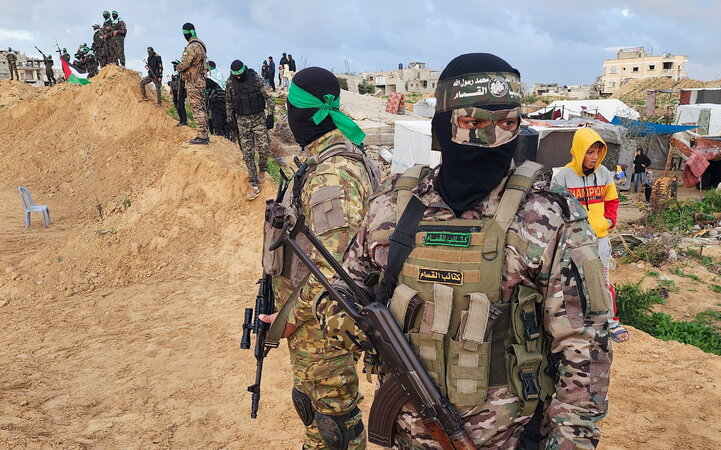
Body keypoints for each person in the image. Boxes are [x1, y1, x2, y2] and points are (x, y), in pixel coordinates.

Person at [315, 53, 612, 449]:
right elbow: (337, 295)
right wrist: (365, 329)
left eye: (508, 124)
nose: (494, 140)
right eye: (474, 124)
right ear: (442, 126)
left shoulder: (547, 217)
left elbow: (585, 350)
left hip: (510, 438)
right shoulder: (393, 207)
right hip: (408, 435)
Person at [258, 66, 379, 450]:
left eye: (290, 109)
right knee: (315, 408)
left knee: (334, 423)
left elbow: (334, 268)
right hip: (316, 318)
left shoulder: (332, 176)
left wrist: (289, 318)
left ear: (303, 114)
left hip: (322, 323)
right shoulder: (326, 160)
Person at [551, 128, 627, 343]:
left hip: (600, 238)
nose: (594, 157)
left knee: (602, 281)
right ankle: (581, 324)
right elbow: (554, 207)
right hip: (574, 242)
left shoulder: (604, 174)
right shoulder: (562, 177)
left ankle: (610, 322)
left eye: (597, 152)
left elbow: (612, 200)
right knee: (574, 282)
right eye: (589, 152)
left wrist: (608, 221)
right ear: (578, 151)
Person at [225, 60, 274, 199]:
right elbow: (228, 102)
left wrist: (270, 115)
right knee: (247, 154)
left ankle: (262, 169)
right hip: (242, 123)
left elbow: (269, 97)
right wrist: (229, 119)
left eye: (240, 74)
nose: (238, 77)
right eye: (235, 75)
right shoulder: (230, 82)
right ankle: (254, 184)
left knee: (264, 149)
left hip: (259, 120)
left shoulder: (255, 79)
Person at [176, 23, 210, 144]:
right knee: (201, 106)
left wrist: (178, 67)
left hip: (193, 81)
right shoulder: (201, 45)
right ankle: (205, 133)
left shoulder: (192, 47)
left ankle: (202, 136)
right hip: (200, 79)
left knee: (196, 107)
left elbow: (185, 64)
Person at [205, 61, 229, 138]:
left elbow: (203, 87)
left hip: (216, 103)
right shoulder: (219, 75)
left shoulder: (210, 77)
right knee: (225, 124)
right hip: (224, 102)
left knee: (217, 124)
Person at [169, 60, 188, 127]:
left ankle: (184, 121)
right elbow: (173, 83)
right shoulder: (173, 73)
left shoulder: (182, 73)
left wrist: (172, 83)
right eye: (174, 65)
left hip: (181, 92)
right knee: (177, 106)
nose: (174, 66)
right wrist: (170, 84)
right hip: (175, 92)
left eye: (176, 64)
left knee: (181, 106)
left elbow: (183, 83)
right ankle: (181, 120)